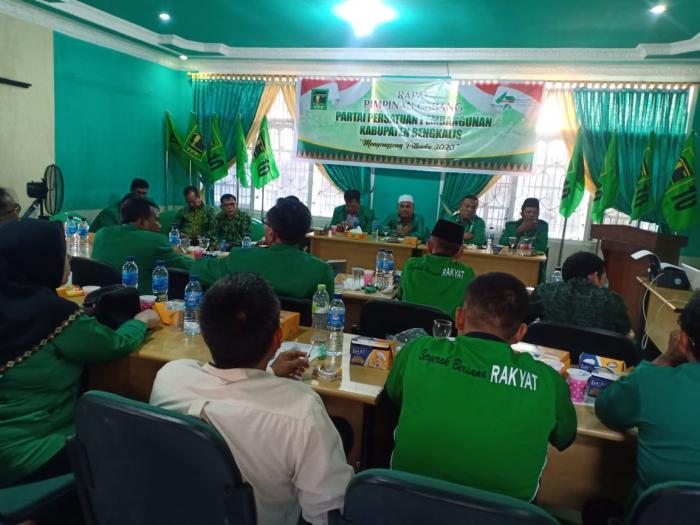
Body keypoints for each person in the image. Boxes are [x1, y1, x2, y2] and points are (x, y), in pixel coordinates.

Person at [150, 273, 353, 524]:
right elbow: (329, 515)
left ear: (203, 330)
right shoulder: (301, 410)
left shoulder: (170, 378)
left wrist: (268, 373)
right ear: (277, 339)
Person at [387, 272, 576, 501]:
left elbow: (393, 394)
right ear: (520, 333)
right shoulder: (549, 382)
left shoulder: (417, 350)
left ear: (459, 318)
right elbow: (565, 437)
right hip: (506, 515)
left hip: (404, 504)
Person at [0, 219, 159, 487]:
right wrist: (141, 322)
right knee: (144, 439)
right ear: (40, 261)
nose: (70, 260)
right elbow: (113, 345)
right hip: (34, 453)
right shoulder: (52, 314)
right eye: (63, 254)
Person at [191, 197, 334, 299]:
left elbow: (198, 271)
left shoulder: (241, 258)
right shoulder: (321, 271)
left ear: (271, 232)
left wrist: (195, 259)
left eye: (266, 222)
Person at [91, 197, 192, 294]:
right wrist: (179, 253)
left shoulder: (101, 234)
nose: (160, 226)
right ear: (142, 222)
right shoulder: (156, 241)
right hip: (140, 301)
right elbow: (187, 267)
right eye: (156, 220)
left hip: (100, 297)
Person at [529, 251, 631, 335]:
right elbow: (623, 331)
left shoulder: (544, 292)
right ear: (594, 276)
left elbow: (525, 319)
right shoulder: (612, 300)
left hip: (549, 352)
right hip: (595, 353)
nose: (605, 281)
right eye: (604, 276)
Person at [397, 219, 476, 318]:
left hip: (409, 326)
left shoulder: (411, 265)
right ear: (460, 253)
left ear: (429, 246)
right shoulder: (467, 273)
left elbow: (400, 295)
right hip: (446, 327)